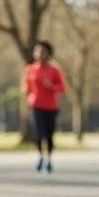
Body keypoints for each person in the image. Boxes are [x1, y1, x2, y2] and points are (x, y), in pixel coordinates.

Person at [22, 40, 66, 172]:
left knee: (49, 135)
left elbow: (63, 88)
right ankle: (41, 156)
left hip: (51, 107)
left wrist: (51, 86)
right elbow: (26, 86)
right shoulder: (30, 69)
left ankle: (49, 159)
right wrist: (26, 91)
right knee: (39, 133)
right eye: (38, 51)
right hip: (36, 105)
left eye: (43, 52)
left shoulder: (54, 70)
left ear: (48, 54)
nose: (40, 54)